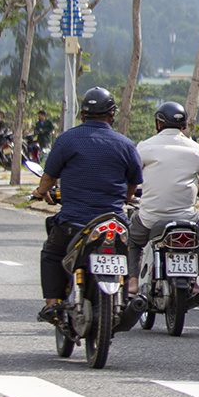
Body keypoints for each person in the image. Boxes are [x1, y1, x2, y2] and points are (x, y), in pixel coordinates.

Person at [31, 86, 142, 325]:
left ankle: (52, 304)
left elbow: (48, 178)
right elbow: (133, 184)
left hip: (74, 223)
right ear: (112, 114)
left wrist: (40, 193)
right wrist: (124, 197)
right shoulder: (126, 144)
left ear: (82, 115)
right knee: (127, 252)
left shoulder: (67, 140)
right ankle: (124, 299)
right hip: (114, 223)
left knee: (51, 254)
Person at [129, 101, 199, 308]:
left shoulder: (145, 146)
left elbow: (132, 175)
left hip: (151, 218)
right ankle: (194, 282)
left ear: (159, 123)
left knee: (133, 241)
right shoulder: (195, 149)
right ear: (183, 125)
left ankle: (132, 282)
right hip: (186, 219)